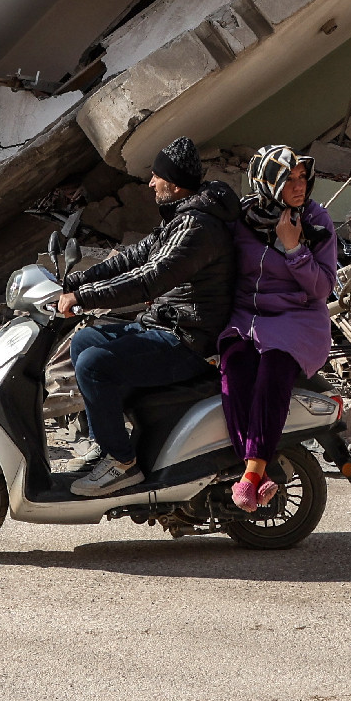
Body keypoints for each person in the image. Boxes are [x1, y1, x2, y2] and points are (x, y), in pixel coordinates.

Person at [56, 136, 241, 497]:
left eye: (157, 176)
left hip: (187, 340)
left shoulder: (198, 228)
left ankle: (122, 464)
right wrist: (78, 278)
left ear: (174, 183)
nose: (151, 182)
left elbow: (149, 279)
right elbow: (134, 256)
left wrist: (82, 296)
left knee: (94, 364)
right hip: (167, 325)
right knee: (84, 339)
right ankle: (104, 443)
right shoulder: (184, 216)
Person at [219, 145, 339, 513]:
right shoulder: (241, 219)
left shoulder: (316, 222)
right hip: (247, 317)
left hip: (297, 320)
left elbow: (322, 289)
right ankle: (256, 472)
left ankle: (251, 476)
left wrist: (293, 248)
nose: (299, 186)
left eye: (302, 177)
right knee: (234, 370)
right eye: (288, 179)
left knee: (273, 371)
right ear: (266, 182)